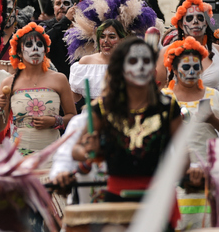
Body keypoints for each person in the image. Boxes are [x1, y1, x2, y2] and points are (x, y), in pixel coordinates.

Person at [74, 38, 183, 206]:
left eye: (146, 61)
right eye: (133, 61)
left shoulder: (168, 107)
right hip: (116, 199)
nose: (140, 66)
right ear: (121, 67)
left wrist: (190, 171)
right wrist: (88, 150)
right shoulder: (104, 107)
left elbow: (184, 155)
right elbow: (76, 150)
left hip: (158, 201)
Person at [162, 37, 219, 229]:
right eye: (186, 68)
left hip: (208, 174)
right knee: (178, 230)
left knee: (208, 228)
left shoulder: (213, 95)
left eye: (196, 67)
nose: (192, 72)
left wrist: (212, 119)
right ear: (174, 69)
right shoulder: (164, 98)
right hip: (173, 174)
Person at [0, 23, 76, 168]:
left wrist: (54, 121)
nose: (35, 48)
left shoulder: (59, 79)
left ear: (45, 50)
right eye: (28, 44)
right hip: (19, 157)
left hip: (52, 154)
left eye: (39, 44)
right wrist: (1, 108)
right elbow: (0, 126)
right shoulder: (8, 83)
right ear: (19, 53)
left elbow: (72, 116)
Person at [158, 0, 219, 115]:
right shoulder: (166, 52)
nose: (195, 21)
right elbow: (157, 91)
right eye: (189, 18)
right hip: (177, 122)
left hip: (214, 123)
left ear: (207, 23)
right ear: (180, 24)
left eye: (200, 18)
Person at [70, 20, 126, 105]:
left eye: (111, 37)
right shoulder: (86, 63)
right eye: (102, 36)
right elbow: (74, 97)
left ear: (121, 40)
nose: (106, 41)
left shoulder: (128, 63)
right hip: (93, 115)